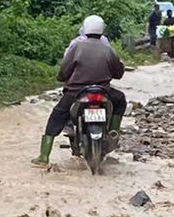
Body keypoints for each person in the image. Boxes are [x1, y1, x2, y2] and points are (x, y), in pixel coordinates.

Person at [38, 15, 126, 164]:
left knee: (57, 115)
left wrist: (61, 78)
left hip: (76, 92)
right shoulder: (107, 49)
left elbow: (64, 70)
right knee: (120, 100)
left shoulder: (76, 46)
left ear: (84, 29)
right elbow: (118, 73)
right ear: (102, 30)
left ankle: (43, 156)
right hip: (103, 91)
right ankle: (113, 131)